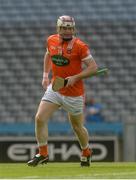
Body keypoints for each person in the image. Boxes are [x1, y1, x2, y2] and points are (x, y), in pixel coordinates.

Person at [27, 15, 98, 167]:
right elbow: (48, 55)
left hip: (74, 94)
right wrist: (45, 76)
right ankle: (43, 153)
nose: (67, 31)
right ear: (58, 28)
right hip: (56, 88)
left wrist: (76, 77)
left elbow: (93, 68)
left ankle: (86, 151)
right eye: (64, 28)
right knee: (39, 118)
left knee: (77, 127)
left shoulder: (80, 46)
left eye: (70, 28)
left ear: (74, 29)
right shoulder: (51, 40)